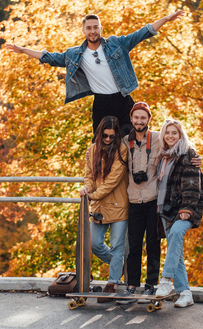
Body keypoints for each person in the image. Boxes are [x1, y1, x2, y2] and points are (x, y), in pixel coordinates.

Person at [5, 11, 184, 137]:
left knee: (137, 138)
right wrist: (22, 50)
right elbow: (49, 58)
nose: (92, 31)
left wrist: (166, 19)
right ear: (83, 31)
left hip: (123, 99)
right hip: (101, 103)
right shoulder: (75, 54)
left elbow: (142, 33)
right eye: (89, 28)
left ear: (100, 29)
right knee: (101, 143)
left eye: (95, 27)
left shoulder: (117, 44)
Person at [117, 102, 202, 305]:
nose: (139, 121)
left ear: (148, 120)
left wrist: (197, 157)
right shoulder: (127, 143)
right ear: (131, 119)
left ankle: (156, 284)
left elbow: (188, 170)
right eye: (136, 117)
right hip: (144, 203)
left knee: (158, 244)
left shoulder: (166, 143)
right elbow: (108, 155)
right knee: (138, 245)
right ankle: (137, 287)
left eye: (143, 118)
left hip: (164, 205)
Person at [154, 119, 203, 308]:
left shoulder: (188, 154)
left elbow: (193, 185)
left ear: (180, 135)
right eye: (167, 132)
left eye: (174, 133)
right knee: (175, 251)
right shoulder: (163, 155)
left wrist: (187, 209)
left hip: (185, 210)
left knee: (176, 235)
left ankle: (166, 280)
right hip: (165, 210)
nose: (170, 136)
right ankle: (185, 293)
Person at [79, 116, 129, 303]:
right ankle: (118, 265)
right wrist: (86, 188)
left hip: (118, 206)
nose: (108, 140)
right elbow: (89, 176)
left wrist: (92, 195)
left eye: (112, 137)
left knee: (117, 246)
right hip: (98, 207)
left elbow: (112, 181)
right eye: (105, 136)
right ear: (99, 134)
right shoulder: (92, 150)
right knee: (93, 243)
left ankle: (112, 283)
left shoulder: (121, 150)